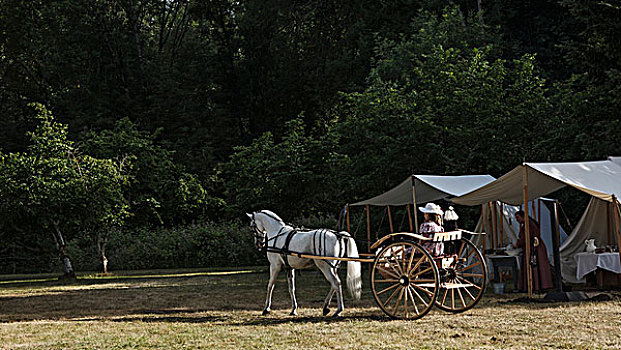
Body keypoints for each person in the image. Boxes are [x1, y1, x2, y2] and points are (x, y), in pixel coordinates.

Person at [511, 210, 553, 292]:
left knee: (535, 266)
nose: (517, 220)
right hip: (534, 247)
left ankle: (536, 286)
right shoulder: (527, 224)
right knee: (535, 267)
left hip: (535, 248)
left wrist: (517, 244)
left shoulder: (529, 225)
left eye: (518, 218)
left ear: (522, 217)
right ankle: (537, 286)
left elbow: (527, 238)